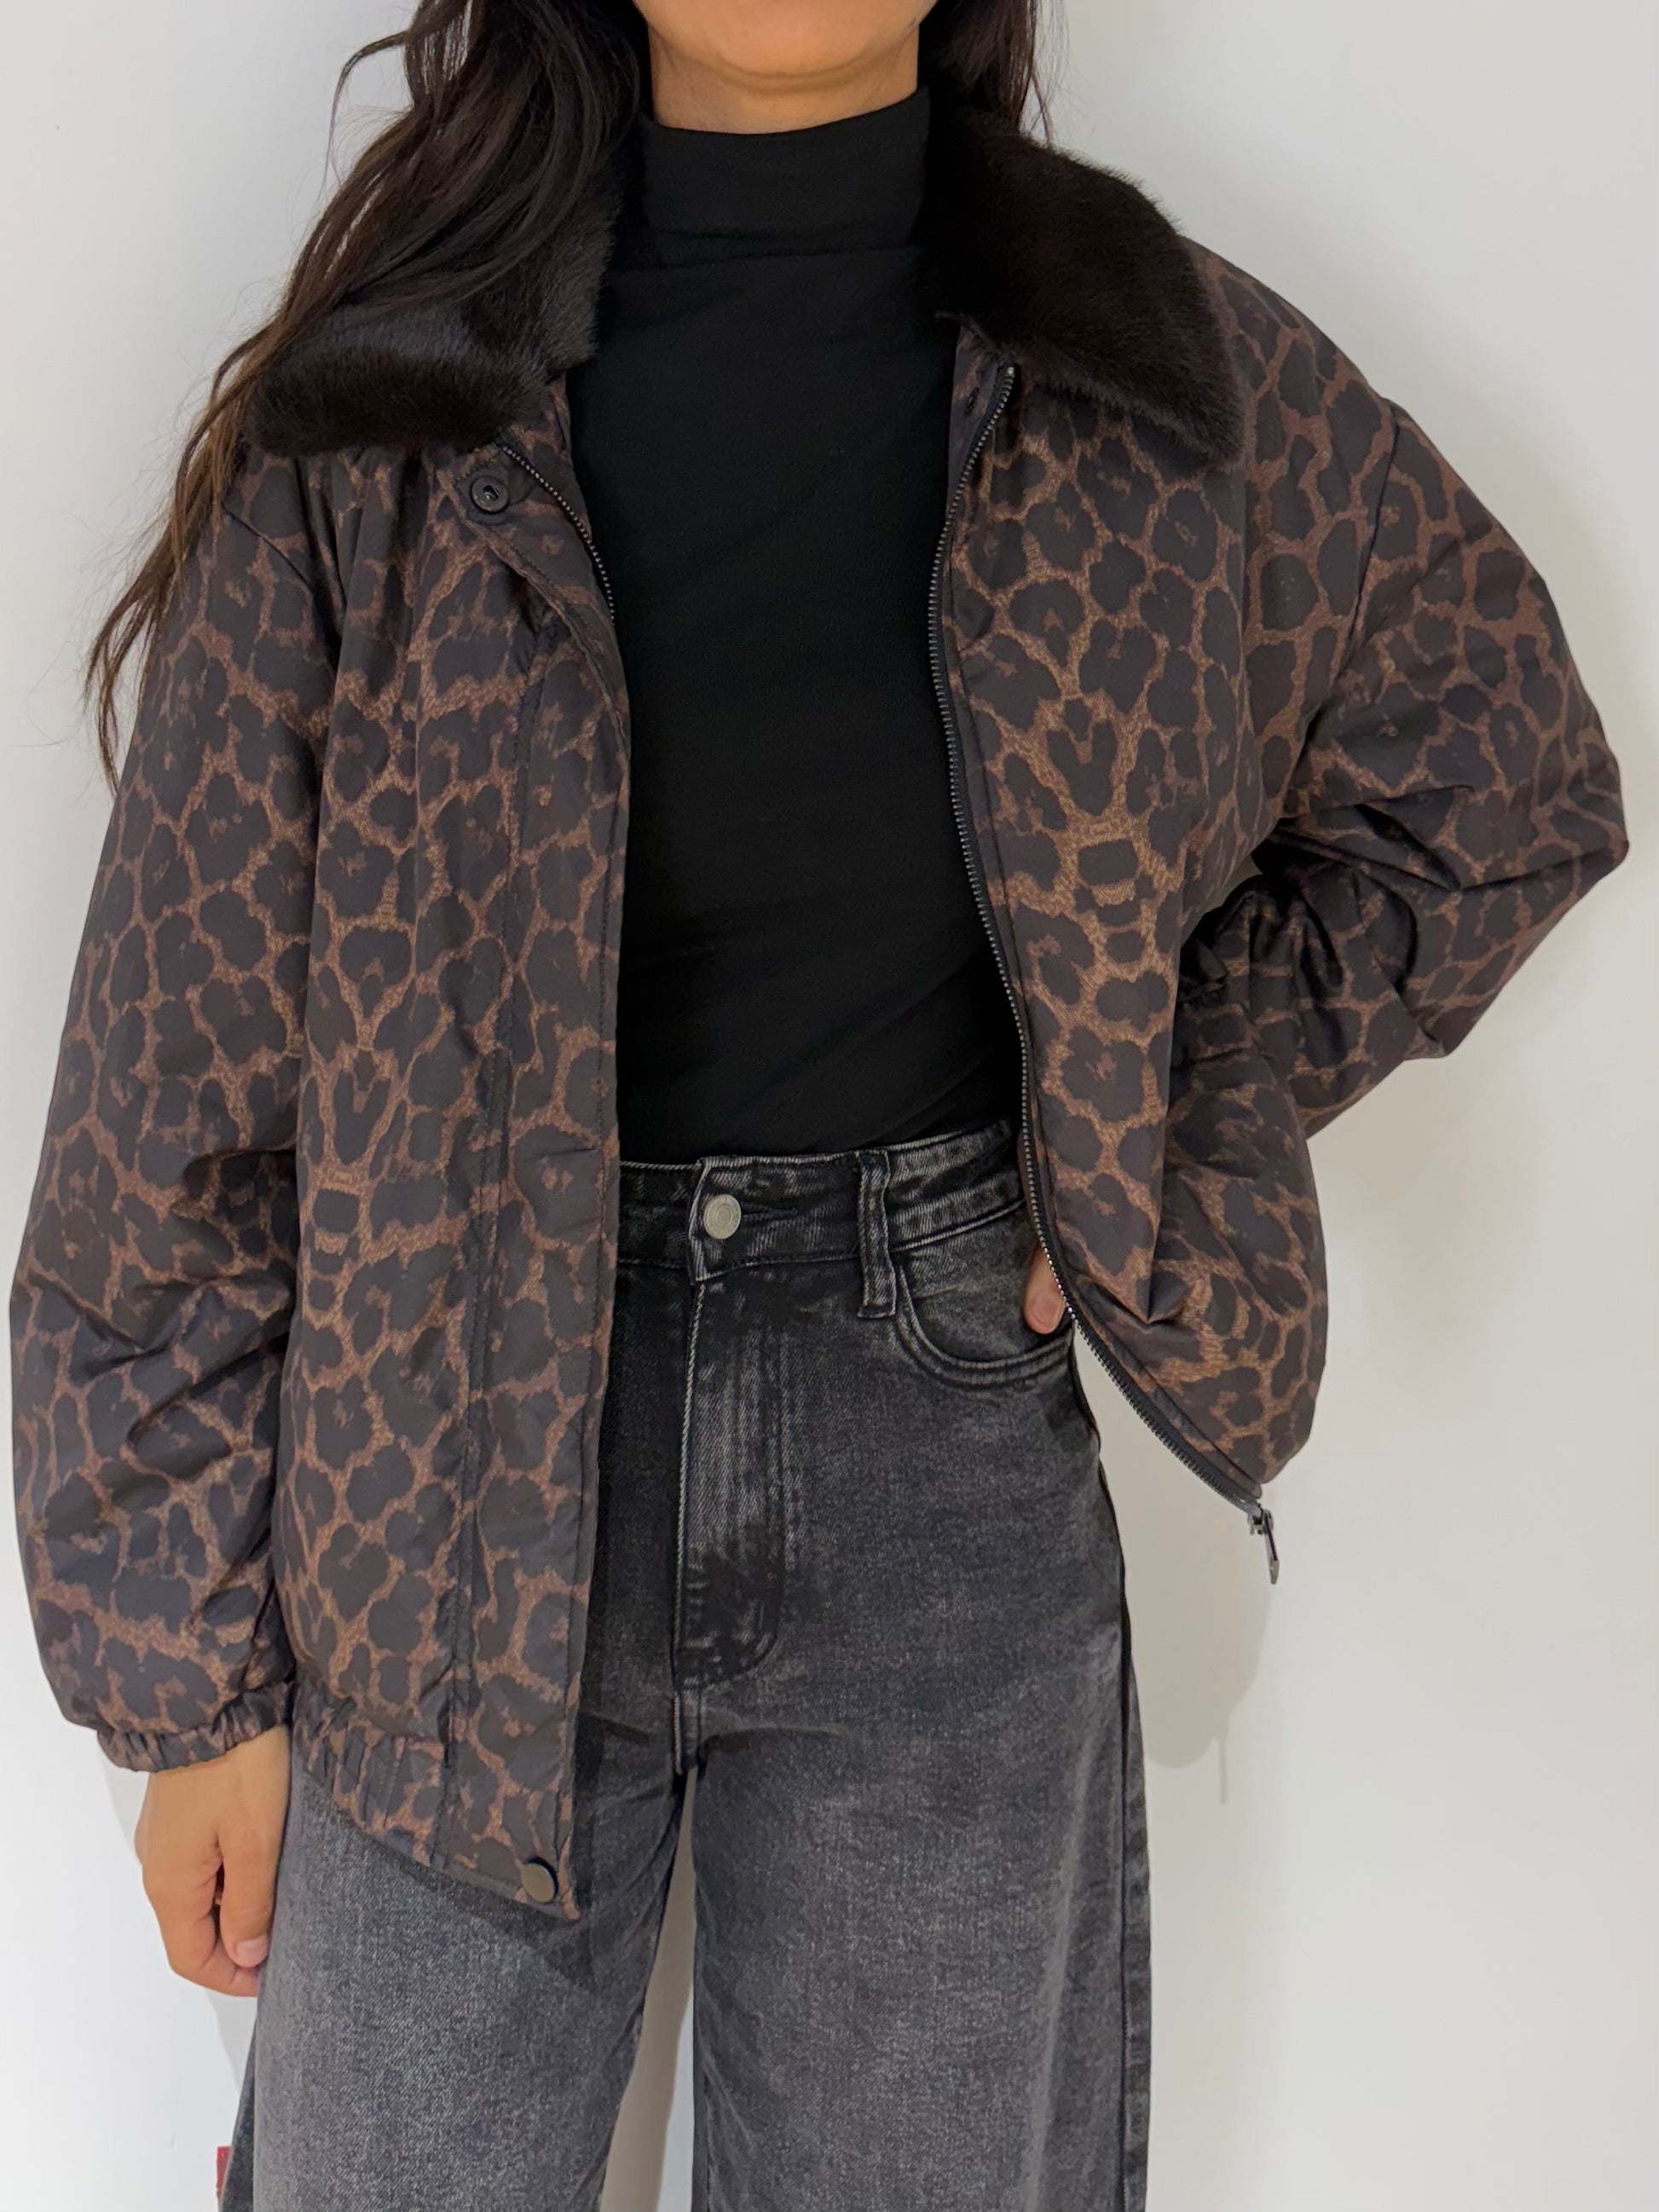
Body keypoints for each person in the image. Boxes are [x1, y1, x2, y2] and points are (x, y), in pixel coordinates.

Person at [9, 2, 1627, 2207]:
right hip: (436, 1483)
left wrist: (1152, 1104)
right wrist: (187, 1688)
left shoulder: (1149, 378)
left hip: (938, 1475)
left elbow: (1501, 774)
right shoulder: (393, 405)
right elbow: (173, 1083)